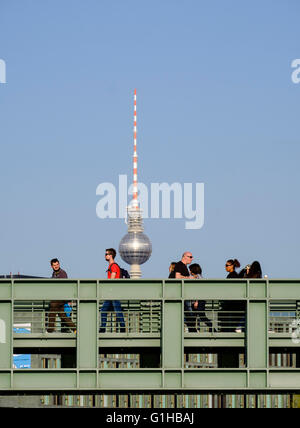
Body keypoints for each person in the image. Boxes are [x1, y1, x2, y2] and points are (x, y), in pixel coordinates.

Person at [99, 248, 126, 333]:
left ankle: (122, 328)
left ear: (111, 256)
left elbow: (112, 279)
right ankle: (103, 328)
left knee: (117, 311)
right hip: (111, 293)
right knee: (104, 310)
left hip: (113, 293)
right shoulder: (111, 266)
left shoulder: (113, 266)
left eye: (106, 254)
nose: (105, 255)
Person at [47, 259, 76, 333]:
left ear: (59, 264)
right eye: (54, 265)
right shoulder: (54, 274)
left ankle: (50, 330)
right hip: (57, 297)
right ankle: (74, 329)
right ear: (51, 266)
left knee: (52, 310)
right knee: (62, 315)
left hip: (60, 297)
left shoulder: (63, 273)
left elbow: (64, 286)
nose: (56, 266)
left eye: (57, 264)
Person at [188, 263, 214, 333]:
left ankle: (211, 327)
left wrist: (197, 301)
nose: (189, 271)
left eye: (190, 270)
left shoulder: (198, 278)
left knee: (201, 316)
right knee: (194, 316)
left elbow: (199, 290)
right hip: (198, 300)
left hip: (199, 300)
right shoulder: (197, 277)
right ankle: (194, 330)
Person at [220, 258, 244, 332]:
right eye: (225, 265)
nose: (225, 267)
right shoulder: (233, 275)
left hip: (232, 305)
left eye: (227, 265)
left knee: (228, 322)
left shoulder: (232, 276)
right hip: (234, 304)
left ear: (232, 266)